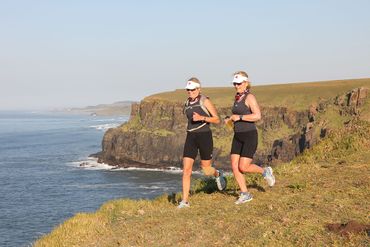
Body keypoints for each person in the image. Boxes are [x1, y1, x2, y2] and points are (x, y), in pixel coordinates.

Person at [225, 71, 275, 204]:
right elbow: (237, 115)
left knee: (243, 167)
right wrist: (230, 119)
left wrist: (240, 117)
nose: (236, 86)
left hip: (249, 135)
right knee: (234, 166)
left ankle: (265, 171)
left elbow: (257, 116)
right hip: (238, 136)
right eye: (234, 83)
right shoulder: (237, 97)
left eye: (239, 83)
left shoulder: (250, 97)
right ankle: (245, 194)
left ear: (246, 83)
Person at [178, 77, 226, 208]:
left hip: (204, 136)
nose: (190, 92)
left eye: (193, 89)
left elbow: (217, 119)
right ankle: (185, 201)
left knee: (206, 170)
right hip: (191, 137)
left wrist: (202, 118)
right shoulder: (186, 103)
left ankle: (218, 174)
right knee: (186, 170)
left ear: (198, 89)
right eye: (188, 90)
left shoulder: (205, 101)